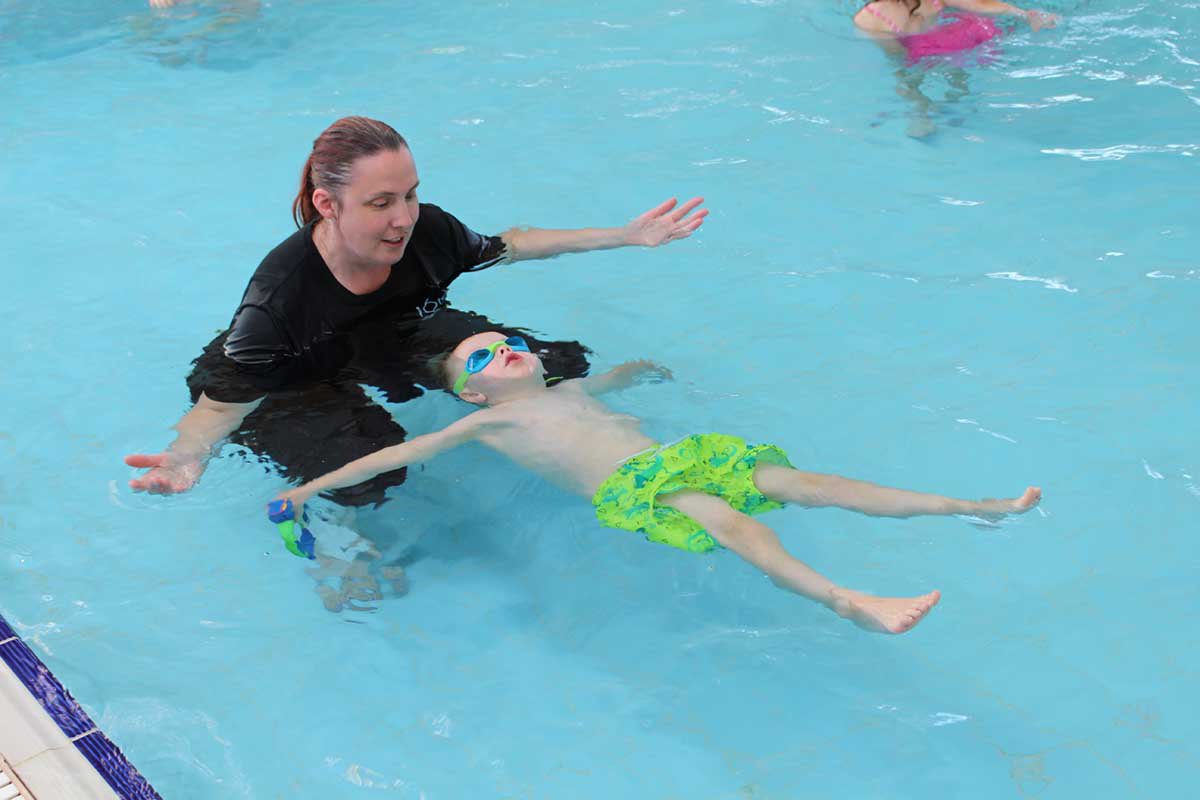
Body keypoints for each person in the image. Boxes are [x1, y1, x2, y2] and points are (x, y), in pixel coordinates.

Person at [125, 116, 707, 608]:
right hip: (294, 374)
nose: (403, 218)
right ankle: (333, 540)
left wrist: (625, 236)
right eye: (381, 203)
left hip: (395, 332)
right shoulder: (279, 303)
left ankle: (605, 452)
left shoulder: (426, 230)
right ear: (327, 204)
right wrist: (186, 454)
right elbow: (226, 396)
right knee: (373, 470)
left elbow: (512, 244)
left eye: (410, 194)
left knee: (550, 365)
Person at [273, 331, 1042, 635]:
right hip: (643, 487)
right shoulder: (485, 425)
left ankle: (971, 508)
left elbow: (603, 383)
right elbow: (383, 461)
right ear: (472, 394)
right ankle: (848, 598)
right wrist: (310, 491)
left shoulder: (570, 392)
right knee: (738, 525)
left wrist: (634, 371)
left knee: (817, 482)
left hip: (690, 457)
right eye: (481, 359)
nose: (501, 352)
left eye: (507, 343)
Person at [854, 0, 1059, 137]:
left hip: (942, 38)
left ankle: (936, 108)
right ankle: (933, 109)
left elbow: (979, 4)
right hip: (933, 40)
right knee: (922, 75)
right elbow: (895, 53)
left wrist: (1025, 14)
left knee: (914, 78)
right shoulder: (876, 16)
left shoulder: (879, 15)